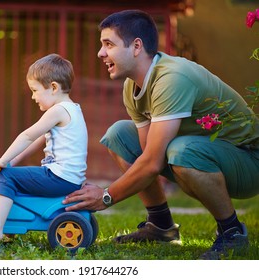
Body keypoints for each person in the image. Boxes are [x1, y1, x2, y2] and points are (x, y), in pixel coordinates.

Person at [63, 10, 259, 259]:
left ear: (136, 47)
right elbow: (148, 157)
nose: (101, 53)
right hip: (208, 155)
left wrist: (105, 196)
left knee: (182, 150)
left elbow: (154, 160)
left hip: (248, 161)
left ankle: (232, 233)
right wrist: (112, 191)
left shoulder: (171, 78)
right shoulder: (132, 85)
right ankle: (160, 226)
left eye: (108, 44)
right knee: (119, 134)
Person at [0, 53, 88, 241]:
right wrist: (13, 160)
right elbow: (40, 139)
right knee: (16, 175)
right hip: (70, 178)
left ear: (53, 87)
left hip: (59, 177)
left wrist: (3, 161)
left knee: (7, 177)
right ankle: (12, 222)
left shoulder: (58, 110)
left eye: (35, 90)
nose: (33, 97)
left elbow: (27, 136)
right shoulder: (73, 109)